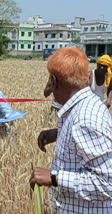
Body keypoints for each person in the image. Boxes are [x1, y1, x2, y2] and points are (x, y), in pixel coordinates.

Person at [30, 47, 112, 213]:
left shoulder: (86, 119)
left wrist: (53, 178)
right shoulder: (80, 108)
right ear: (88, 77)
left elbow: (108, 184)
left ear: (53, 80)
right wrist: (59, 133)